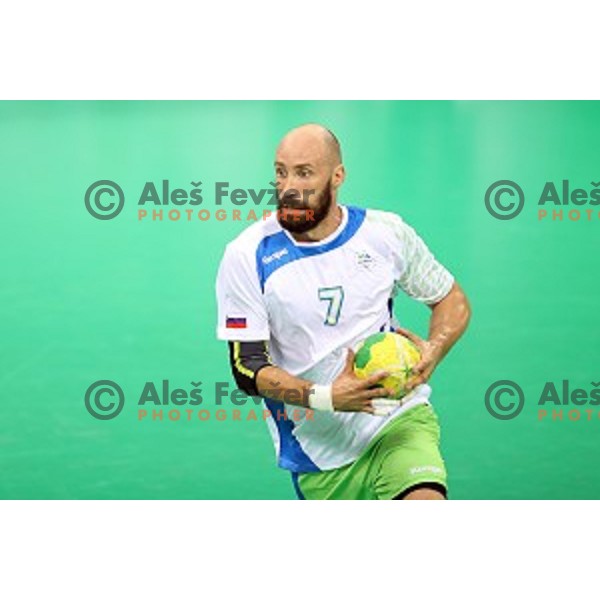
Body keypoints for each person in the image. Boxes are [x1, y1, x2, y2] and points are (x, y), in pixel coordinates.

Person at [215, 124, 471, 499]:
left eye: (304, 173)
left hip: (397, 419)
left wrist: (435, 347)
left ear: (337, 177)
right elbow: (247, 368)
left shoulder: (385, 233)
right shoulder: (247, 255)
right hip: (319, 454)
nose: (288, 187)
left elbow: (449, 297)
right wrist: (327, 396)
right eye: (281, 172)